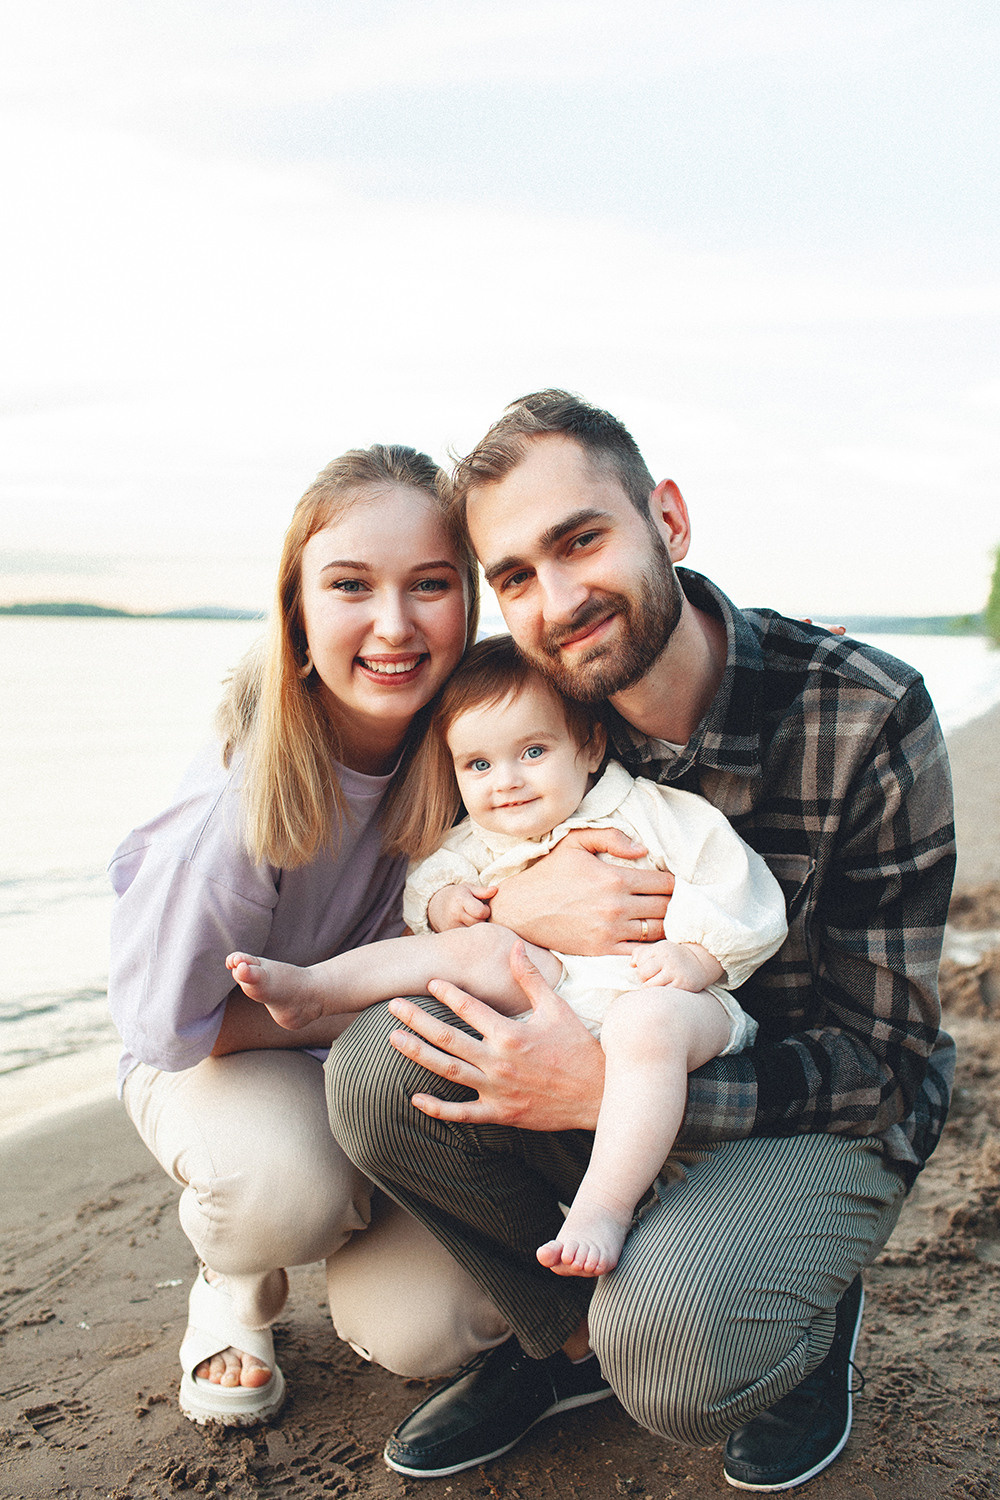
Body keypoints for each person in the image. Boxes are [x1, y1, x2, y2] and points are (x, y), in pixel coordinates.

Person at [325, 392, 956, 1490]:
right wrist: (514, 910)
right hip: (611, 1061)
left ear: (666, 519)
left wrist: (596, 1087)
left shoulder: (862, 714)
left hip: (809, 1113)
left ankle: (803, 1320)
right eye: (514, 576)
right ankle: (556, 1343)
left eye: (581, 540)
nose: (558, 600)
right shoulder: (540, 715)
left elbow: (888, 1067)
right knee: (374, 1069)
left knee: (671, 1353)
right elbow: (447, 878)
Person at [106, 445, 511, 1428]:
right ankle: (234, 1281)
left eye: (429, 585)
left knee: (435, 1327)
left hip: (371, 1062)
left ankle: (355, 1206)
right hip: (221, 1058)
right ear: (298, 612)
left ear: (469, 600)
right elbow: (169, 1032)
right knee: (284, 1189)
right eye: (349, 585)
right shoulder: (240, 814)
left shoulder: (481, 745)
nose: (393, 624)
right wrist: (343, 996)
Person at [225, 634, 788, 1278]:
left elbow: (740, 890)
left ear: (590, 746)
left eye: (532, 752)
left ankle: (603, 1207)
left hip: (669, 1000)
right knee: (484, 946)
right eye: (479, 766)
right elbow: (429, 887)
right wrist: (446, 905)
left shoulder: (652, 813)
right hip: (554, 999)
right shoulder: (481, 838)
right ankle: (317, 990)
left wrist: (698, 959)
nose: (508, 783)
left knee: (646, 1026)